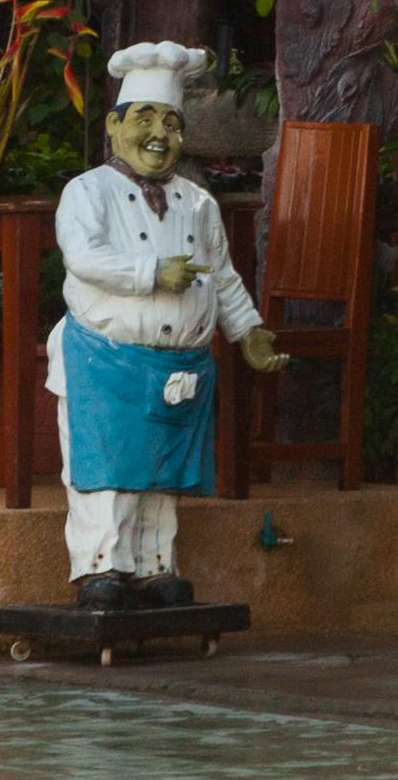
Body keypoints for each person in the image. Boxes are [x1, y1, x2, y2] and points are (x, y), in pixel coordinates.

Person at [47, 41, 285, 610]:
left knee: (163, 474)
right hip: (106, 361)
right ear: (114, 125)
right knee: (106, 472)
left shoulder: (198, 204)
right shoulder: (86, 193)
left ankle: (157, 567)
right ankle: (101, 568)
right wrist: (151, 273)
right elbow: (84, 259)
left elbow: (221, 276)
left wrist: (247, 330)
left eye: (171, 123)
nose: (159, 134)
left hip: (178, 367)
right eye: (145, 119)